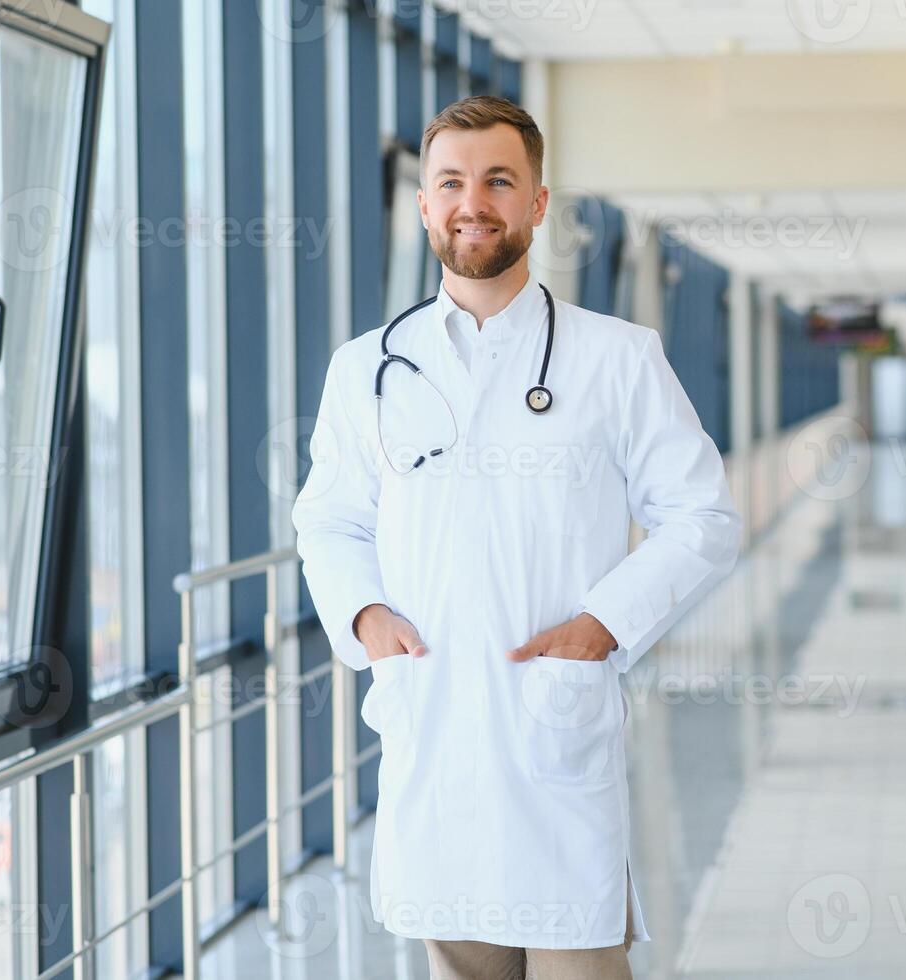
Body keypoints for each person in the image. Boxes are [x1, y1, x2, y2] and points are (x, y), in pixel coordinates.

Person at [292, 95, 741, 979]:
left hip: (553, 735)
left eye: (499, 181)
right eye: (450, 182)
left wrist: (601, 625)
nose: (473, 202)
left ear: (537, 203)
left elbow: (704, 516)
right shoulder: (365, 371)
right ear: (423, 204)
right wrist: (366, 618)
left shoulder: (617, 358)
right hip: (433, 737)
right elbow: (330, 519)